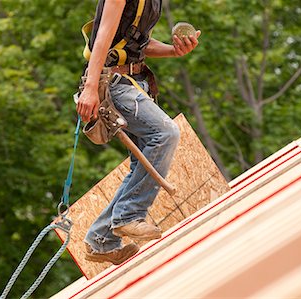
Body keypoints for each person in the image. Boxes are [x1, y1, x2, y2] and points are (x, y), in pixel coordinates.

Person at [77, 0, 201, 265]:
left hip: (135, 81)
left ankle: (101, 240)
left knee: (142, 162)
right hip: (113, 82)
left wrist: (173, 51)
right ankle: (128, 216)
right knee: (165, 133)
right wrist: (90, 87)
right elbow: (103, 38)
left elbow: (136, 45)